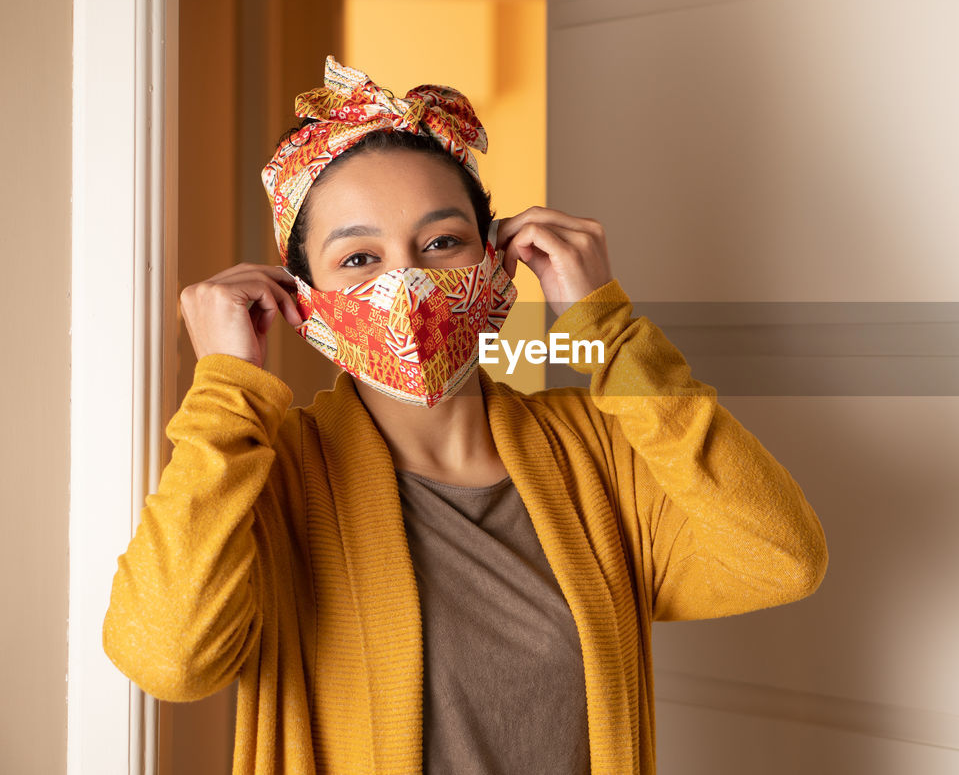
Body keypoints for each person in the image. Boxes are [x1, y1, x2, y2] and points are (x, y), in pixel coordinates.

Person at [102, 55, 828, 775]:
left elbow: (779, 559)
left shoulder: (595, 453)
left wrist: (606, 329)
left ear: (497, 258)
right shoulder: (272, 477)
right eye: (359, 259)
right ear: (305, 298)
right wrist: (228, 388)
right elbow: (169, 657)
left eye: (441, 242)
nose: (408, 284)